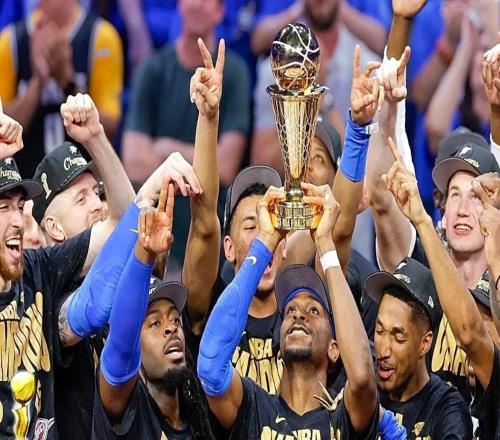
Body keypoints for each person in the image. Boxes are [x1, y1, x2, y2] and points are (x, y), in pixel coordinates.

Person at [216, 45, 383, 394]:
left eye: (318, 159)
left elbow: (339, 231)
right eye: (250, 225)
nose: (306, 169)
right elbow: (204, 226)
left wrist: (357, 131)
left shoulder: (308, 287)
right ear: (229, 246)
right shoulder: (227, 288)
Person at [198, 183, 379, 438]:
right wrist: (267, 240)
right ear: (279, 341)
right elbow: (210, 366)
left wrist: (325, 244)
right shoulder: (254, 409)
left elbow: (361, 377)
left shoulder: (343, 416)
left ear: (334, 348)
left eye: (314, 311)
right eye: (290, 310)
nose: (298, 315)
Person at [381, 131, 499, 438]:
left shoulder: (496, 293)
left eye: (476, 197)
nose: (462, 209)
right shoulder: (420, 282)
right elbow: (381, 204)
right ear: (443, 210)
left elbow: (470, 333)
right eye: (455, 195)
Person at [93, 179, 214, 439]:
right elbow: (122, 343)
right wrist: (144, 253)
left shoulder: (199, 415)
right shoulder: (123, 409)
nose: (171, 328)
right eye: (154, 323)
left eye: (175, 319)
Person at [122, 0, 250, 186]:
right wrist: (204, 159)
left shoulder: (234, 73)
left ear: (220, 11)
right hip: (159, 201)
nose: (197, 4)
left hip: (211, 202)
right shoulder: (151, 70)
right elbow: (134, 166)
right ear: (180, 4)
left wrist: (166, 150)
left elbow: (225, 167)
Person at [251, 0, 380, 172]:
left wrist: (322, 97)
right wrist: (302, 98)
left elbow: (369, 168)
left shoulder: (368, 67)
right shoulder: (275, 69)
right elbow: (262, 166)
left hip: (346, 187)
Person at [0, 0, 123, 177]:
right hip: (25, 180)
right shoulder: (10, 41)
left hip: (84, 179)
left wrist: (67, 81)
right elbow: (2, 130)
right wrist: (38, 83)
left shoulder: (102, 36)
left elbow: (109, 126)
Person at [365, 258, 473, 438]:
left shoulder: (446, 409)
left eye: (398, 338)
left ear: (425, 343)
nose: (383, 351)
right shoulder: (364, 395)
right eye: (379, 331)